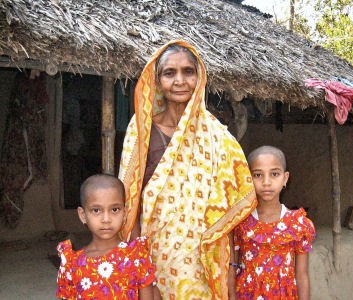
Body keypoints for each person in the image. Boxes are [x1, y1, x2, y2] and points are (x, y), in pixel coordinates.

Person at [118, 40, 257, 299]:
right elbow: (128, 200)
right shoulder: (141, 128)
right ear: (157, 81)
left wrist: (229, 267)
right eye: (169, 73)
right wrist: (137, 259)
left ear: (200, 77)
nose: (179, 80)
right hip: (155, 254)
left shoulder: (217, 136)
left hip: (204, 258)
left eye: (188, 72)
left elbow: (230, 204)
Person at [234, 146, 316, 299]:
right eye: (258, 175)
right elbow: (233, 267)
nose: (266, 182)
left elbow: (302, 275)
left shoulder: (298, 224)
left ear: (285, 179)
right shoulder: (240, 223)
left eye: (274, 174)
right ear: (248, 179)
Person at [56, 174, 156, 299]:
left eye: (114, 210)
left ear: (124, 213)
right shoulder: (72, 264)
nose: (106, 219)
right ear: (83, 215)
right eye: (96, 210)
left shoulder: (137, 256)